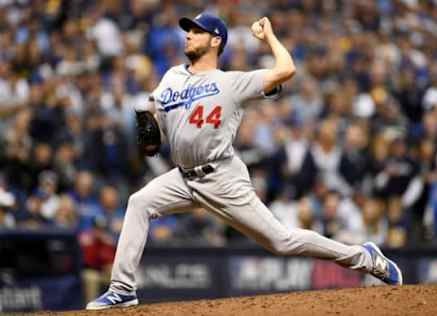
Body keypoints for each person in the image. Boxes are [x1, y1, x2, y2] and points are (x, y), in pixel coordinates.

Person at [86, 13, 402, 310]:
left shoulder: (232, 83)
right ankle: (123, 288)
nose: (189, 35)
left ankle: (364, 257)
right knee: (139, 202)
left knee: (282, 241)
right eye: (188, 30)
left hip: (221, 176)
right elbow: (151, 122)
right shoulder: (170, 77)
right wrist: (149, 127)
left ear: (215, 41)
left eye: (197, 31)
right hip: (182, 178)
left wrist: (270, 38)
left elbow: (286, 70)